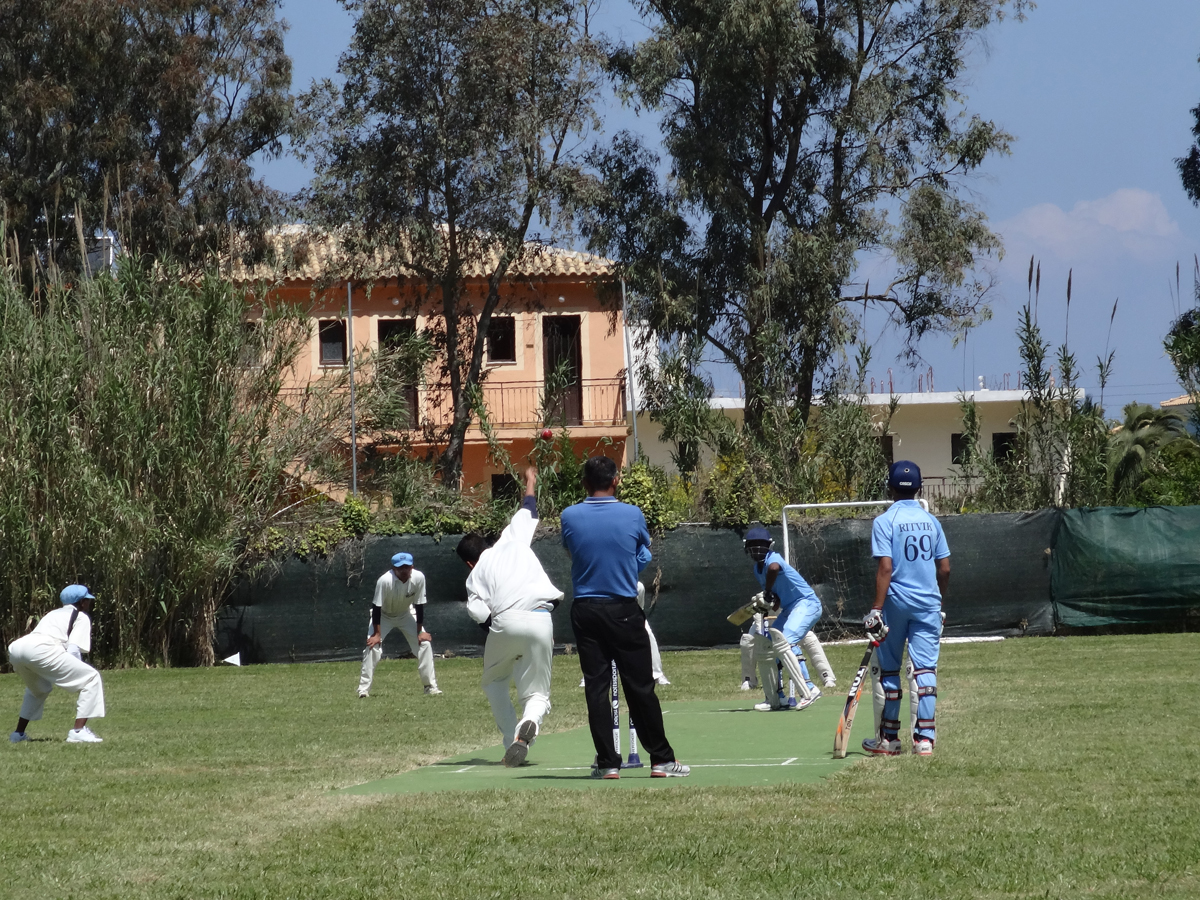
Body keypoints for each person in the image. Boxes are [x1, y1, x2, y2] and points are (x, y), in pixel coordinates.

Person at [561, 455, 689, 779]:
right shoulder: (632, 514)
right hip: (623, 609)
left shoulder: (569, 516)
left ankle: (607, 764)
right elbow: (641, 553)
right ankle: (661, 760)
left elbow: (574, 551)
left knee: (596, 688)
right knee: (640, 687)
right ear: (616, 480)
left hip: (586, 610)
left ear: (584, 484)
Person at [456, 466, 563, 767]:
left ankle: (509, 742)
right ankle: (526, 727)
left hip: (504, 621)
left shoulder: (476, 574)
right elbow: (528, 508)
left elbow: (478, 612)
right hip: (542, 616)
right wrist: (530, 481)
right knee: (538, 693)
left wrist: (500, 631)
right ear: (487, 545)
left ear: (468, 562)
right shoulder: (513, 540)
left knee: (494, 682)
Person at [864, 460, 950, 757]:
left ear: (889, 487)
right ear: (920, 488)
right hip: (928, 603)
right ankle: (924, 739)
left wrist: (876, 609)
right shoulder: (932, 521)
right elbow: (945, 568)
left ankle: (889, 740)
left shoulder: (884, 521)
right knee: (925, 670)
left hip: (896, 604)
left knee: (889, 671)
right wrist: (939, 601)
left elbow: (885, 568)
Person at [8, 584, 106, 743]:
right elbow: (73, 649)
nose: (89, 604)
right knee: (91, 677)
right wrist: (76, 674)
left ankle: (18, 735)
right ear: (81, 603)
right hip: (41, 649)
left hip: (17, 648)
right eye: (87, 600)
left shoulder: (53, 613)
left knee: (38, 688)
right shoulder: (81, 616)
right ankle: (78, 732)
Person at [742, 526, 824, 711]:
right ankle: (776, 697)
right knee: (769, 645)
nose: (756, 549)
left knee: (785, 641)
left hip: (806, 603)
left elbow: (774, 568)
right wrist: (769, 601)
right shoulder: (757, 569)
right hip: (789, 608)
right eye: (753, 545)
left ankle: (810, 689)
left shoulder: (773, 558)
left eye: (760, 545)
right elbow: (776, 598)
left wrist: (768, 592)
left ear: (769, 545)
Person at [358, 552, 440, 698]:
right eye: (400, 568)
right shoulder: (384, 580)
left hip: (405, 614)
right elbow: (376, 607)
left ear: (412, 567)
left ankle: (430, 687)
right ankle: (363, 690)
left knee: (424, 645)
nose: (404, 571)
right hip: (383, 615)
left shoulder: (419, 577)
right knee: (372, 647)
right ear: (393, 568)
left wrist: (420, 631)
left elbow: (419, 604)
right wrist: (377, 635)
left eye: (407, 567)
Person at [738, 592, 835, 691]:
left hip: (788, 625)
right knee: (747, 640)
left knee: (810, 637)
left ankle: (827, 676)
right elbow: (759, 622)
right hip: (766, 627)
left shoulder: (790, 595)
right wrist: (762, 635)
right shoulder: (761, 597)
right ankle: (748, 680)